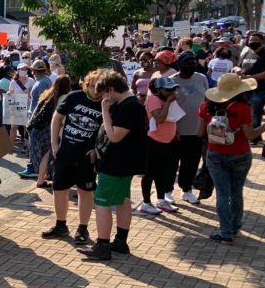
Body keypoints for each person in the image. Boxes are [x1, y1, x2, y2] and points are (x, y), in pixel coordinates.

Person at [78, 71, 146, 260]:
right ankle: (120, 241)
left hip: (116, 164)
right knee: (123, 199)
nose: (104, 99)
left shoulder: (128, 107)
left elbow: (114, 136)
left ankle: (102, 245)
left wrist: (105, 112)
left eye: (104, 94)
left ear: (111, 90)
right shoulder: (129, 105)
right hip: (124, 163)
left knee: (102, 202)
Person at [198, 73, 265, 244]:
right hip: (240, 154)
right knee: (236, 192)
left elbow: (199, 133)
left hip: (215, 154)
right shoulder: (242, 108)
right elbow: (250, 135)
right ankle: (235, 227)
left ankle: (225, 232)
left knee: (222, 194)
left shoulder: (206, 107)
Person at [42, 70, 104, 245]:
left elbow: (107, 130)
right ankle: (61, 224)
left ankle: (82, 228)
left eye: (99, 87)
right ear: (87, 84)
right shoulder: (74, 97)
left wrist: (97, 150)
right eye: (92, 86)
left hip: (86, 157)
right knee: (59, 188)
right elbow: (57, 118)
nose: (95, 90)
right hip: (66, 152)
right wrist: (55, 144)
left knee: (86, 192)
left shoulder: (106, 104)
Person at [169, 52, 209, 204]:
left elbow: (206, 101)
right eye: (186, 63)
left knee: (191, 162)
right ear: (179, 65)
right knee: (171, 163)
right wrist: (173, 128)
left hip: (196, 130)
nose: (190, 66)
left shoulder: (201, 78)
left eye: (192, 63)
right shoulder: (172, 81)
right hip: (176, 131)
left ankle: (186, 189)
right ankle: (167, 190)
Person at [139, 77, 180, 215]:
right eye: (168, 90)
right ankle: (146, 203)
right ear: (159, 90)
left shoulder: (168, 99)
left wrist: (175, 132)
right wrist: (168, 102)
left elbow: (173, 117)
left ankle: (161, 200)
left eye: (173, 89)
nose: (171, 92)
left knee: (161, 172)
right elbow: (160, 118)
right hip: (154, 142)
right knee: (150, 172)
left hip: (166, 141)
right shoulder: (153, 100)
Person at [25, 76, 72, 186]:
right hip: (48, 128)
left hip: (37, 128)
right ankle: (41, 180)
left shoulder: (48, 94)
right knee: (48, 155)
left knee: (44, 155)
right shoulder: (64, 97)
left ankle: (43, 178)